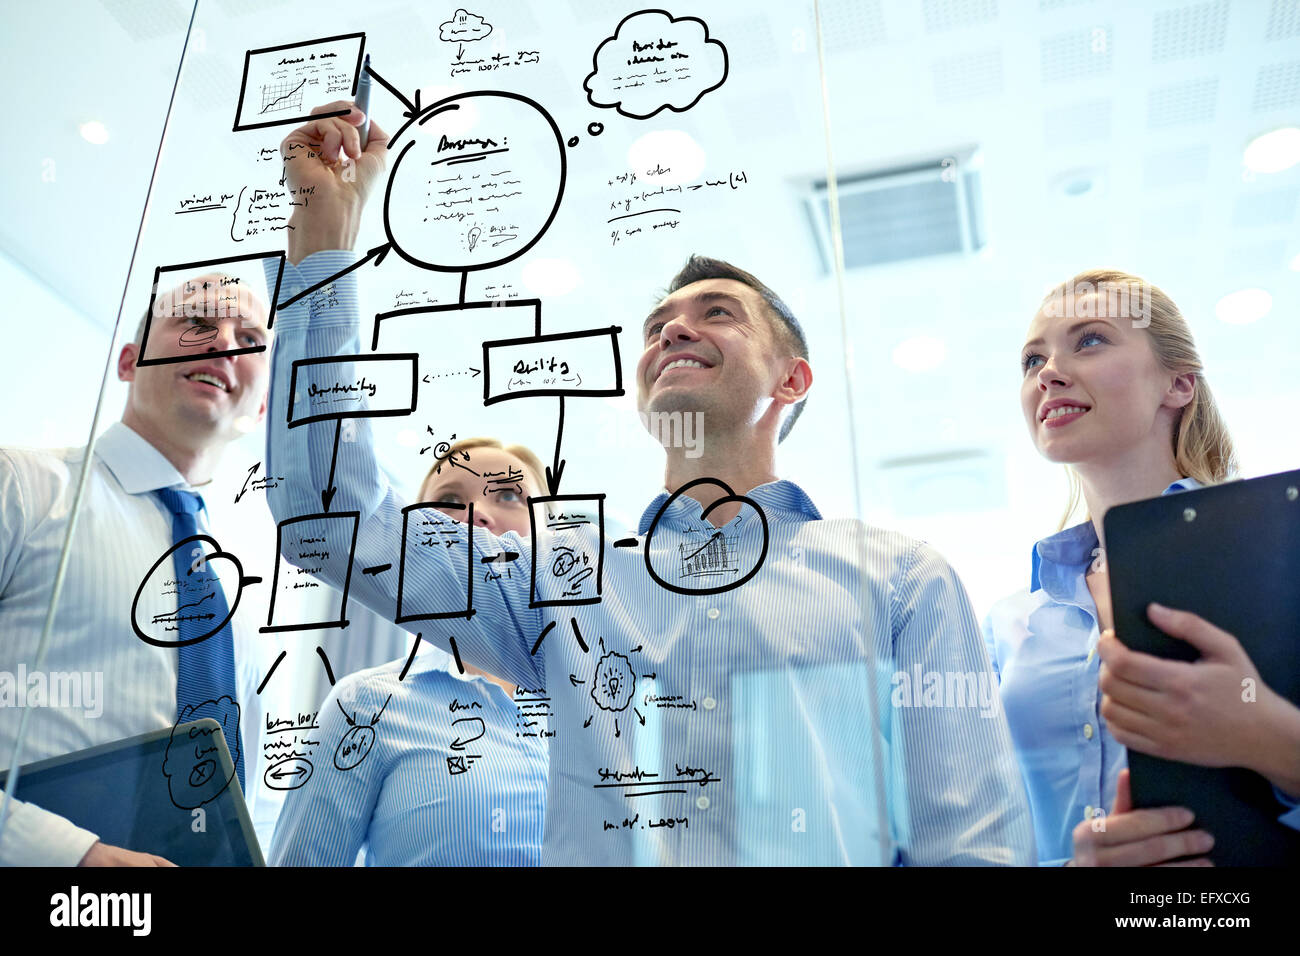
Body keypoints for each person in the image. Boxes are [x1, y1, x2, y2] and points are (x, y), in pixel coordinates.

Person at [262, 100, 1035, 865]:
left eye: (718, 313)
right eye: (658, 324)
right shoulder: (563, 586)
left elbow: (972, 848)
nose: (672, 329)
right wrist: (323, 243)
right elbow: (331, 521)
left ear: (792, 379)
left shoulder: (901, 580)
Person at [984, 269, 1300, 866]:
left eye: (1091, 339)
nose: (1047, 372)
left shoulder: (1281, 559)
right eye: (1031, 361)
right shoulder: (1008, 625)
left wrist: (1271, 738)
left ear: (1177, 384)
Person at [0, 274, 271, 865]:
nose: (224, 343)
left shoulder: (237, 597)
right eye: (197, 323)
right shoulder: (20, 490)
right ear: (128, 361)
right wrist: (69, 856)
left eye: (248, 338)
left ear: (262, 408)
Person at [269, 438, 549, 865]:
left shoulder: (610, 711)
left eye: (510, 494)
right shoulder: (364, 705)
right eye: (450, 500)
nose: (476, 515)